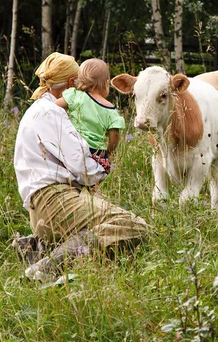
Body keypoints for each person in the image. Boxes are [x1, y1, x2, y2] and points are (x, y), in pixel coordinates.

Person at [13, 52, 149, 282]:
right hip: (55, 201)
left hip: (46, 206)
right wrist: (105, 168)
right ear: (69, 84)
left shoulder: (43, 110)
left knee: (107, 222)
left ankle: (38, 247)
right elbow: (82, 168)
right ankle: (47, 266)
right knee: (133, 226)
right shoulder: (51, 114)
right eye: (78, 82)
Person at [54, 58, 125, 172]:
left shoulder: (75, 96)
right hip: (96, 154)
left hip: (72, 147)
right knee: (94, 179)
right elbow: (114, 136)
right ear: (107, 83)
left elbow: (52, 108)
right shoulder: (110, 110)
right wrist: (109, 151)